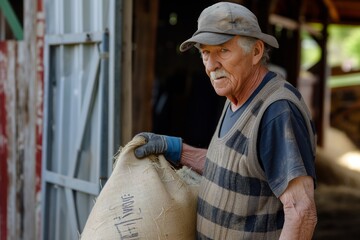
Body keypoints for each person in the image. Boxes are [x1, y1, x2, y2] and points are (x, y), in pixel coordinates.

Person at [134, 2, 317, 239]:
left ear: (256, 51)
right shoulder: (236, 95)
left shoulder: (277, 111)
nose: (211, 65)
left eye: (223, 51)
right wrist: (177, 149)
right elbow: (235, 168)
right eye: (205, 53)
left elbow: (302, 213)